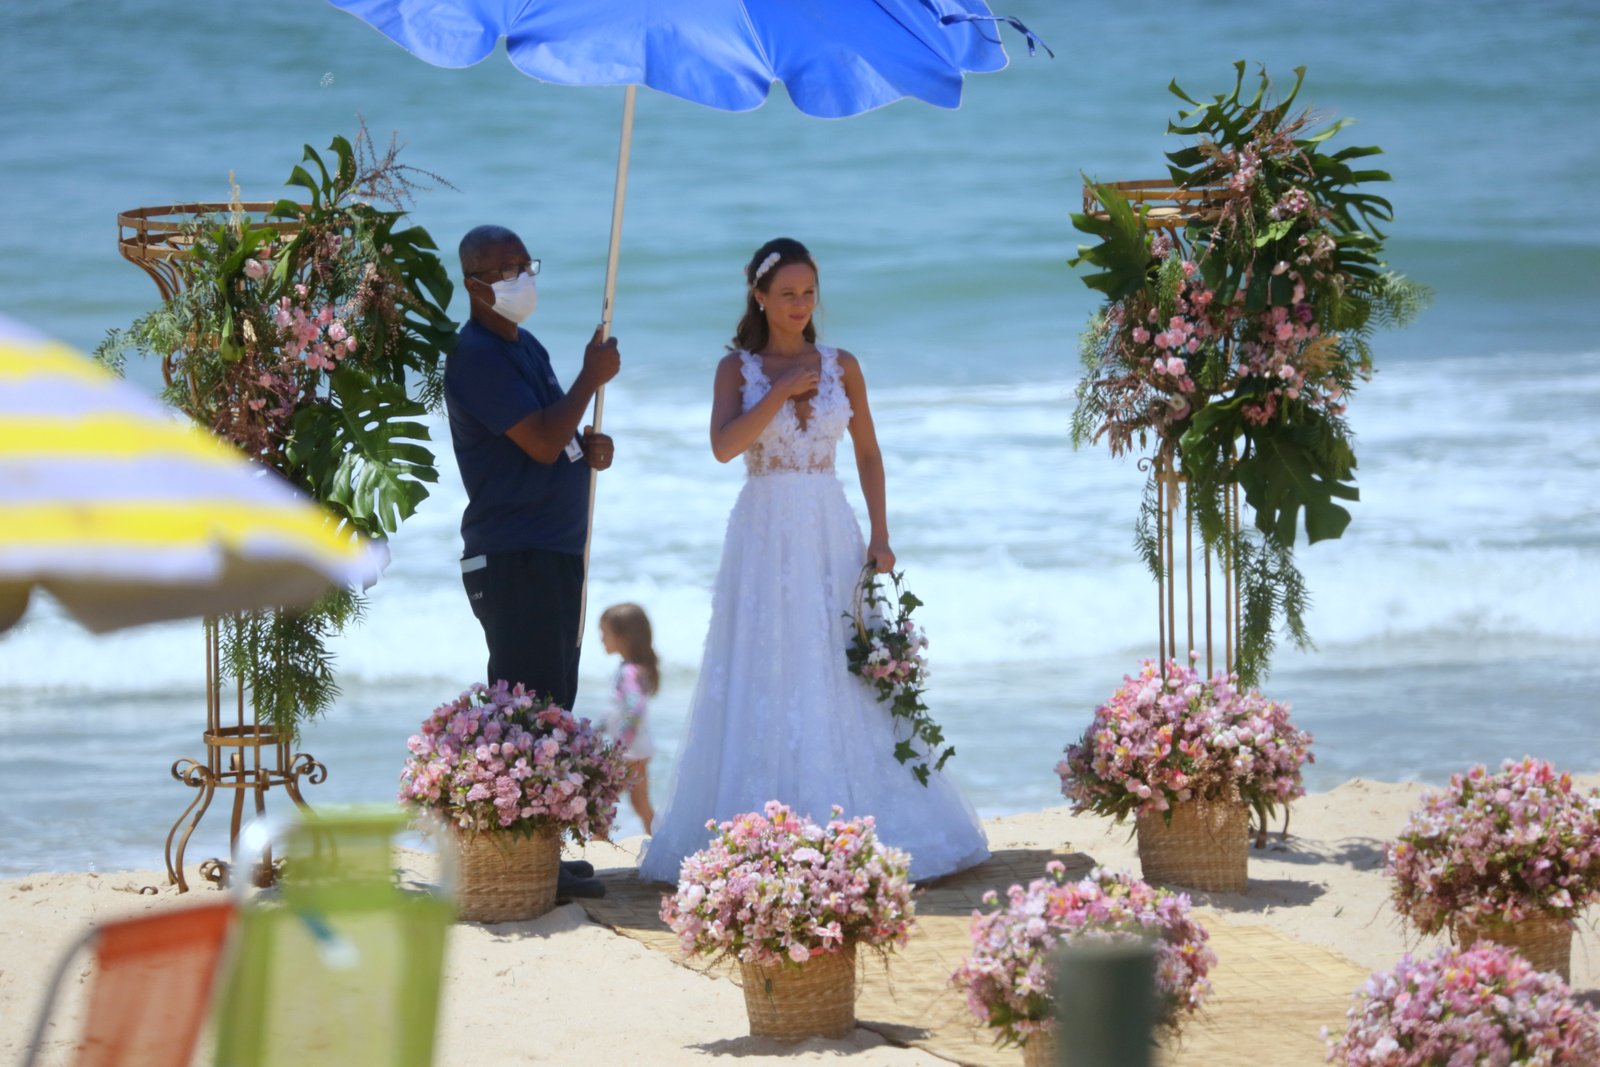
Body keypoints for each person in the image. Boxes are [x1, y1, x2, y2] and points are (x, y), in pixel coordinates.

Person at [637, 237, 989, 884]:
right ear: (760, 297)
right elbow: (723, 448)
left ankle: (853, 820)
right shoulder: (735, 370)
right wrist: (776, 394)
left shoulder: (842, 364)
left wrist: (882, 535)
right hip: (763, 528)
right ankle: (763, 826)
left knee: (839, 659)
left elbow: (870, 454)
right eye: (787, 293)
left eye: (809, 293)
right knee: (766, 659)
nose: (800, 305)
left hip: (829, 525)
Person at [445, 223, 619, 897]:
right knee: (525, 708)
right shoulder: (476, 357)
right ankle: (517, 861)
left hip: (552, 548)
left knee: (552, 703)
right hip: (512, 555)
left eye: (526, 265)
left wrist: (588, 447)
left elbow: (556, 437)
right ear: (474, 283)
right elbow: (540, 443)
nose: (523, 278)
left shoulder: (527, 347)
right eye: (506, 269)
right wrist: (590, 377)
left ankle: (539, 849)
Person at [597, 603, 659, 834]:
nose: (602, 639)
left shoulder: (628, 672)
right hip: (638, 749)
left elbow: (634, 709)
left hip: (627, 752)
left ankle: (598, 843)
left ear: (624, 637)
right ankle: (658, 838)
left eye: (605, 633)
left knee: (602, 802)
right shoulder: (633, 668)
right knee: (640, 801)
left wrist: (620, 743)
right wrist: (600, 726)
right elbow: (620, 709)